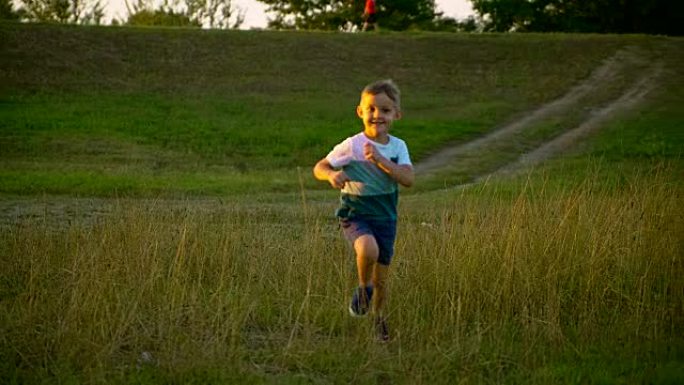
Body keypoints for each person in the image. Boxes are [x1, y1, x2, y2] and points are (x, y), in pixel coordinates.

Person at [313, 79, 414, 342]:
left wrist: (380, 160)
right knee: (368, 249)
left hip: (386, 218)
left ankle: (379, 320)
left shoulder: (398, 147)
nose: (377, 115)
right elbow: (320, 166)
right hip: (355, 213)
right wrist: (331, 175)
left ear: (396, 114)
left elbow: (408, 178)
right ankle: (362, 286)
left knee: (382, 280)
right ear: (360, 112)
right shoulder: (353, 145)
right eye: (371, 109)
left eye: (385, 110)